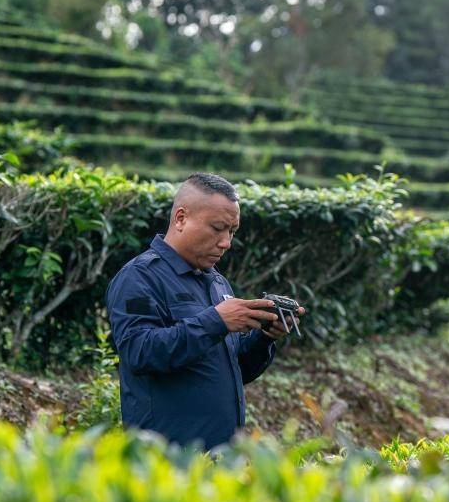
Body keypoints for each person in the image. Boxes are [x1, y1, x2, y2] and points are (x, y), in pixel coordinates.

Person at [105, 172, 306, 451]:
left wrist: (265, 338)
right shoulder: (139, 278)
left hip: (222, 459)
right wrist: (216, 321)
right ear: (181, 219)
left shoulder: (216, 281)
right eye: (217, 228)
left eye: (232, 232)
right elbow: (139, 353)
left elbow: (234, 369)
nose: (226, 242)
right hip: (166, 460)